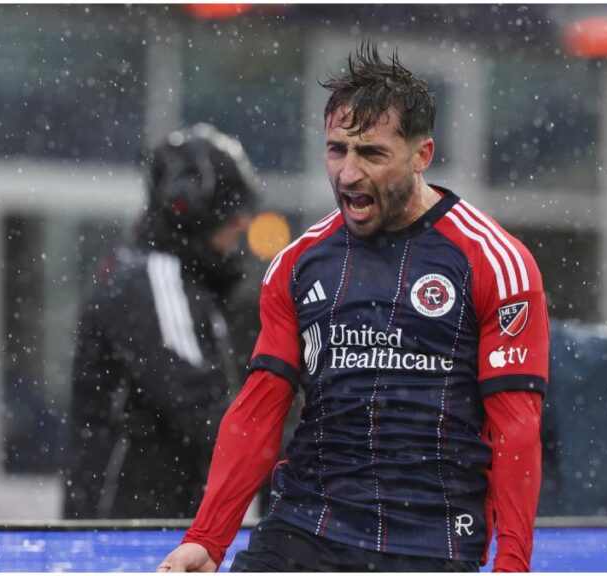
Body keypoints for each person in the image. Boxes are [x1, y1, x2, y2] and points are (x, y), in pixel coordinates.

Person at [159, 43, 548, 572]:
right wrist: (207, 538)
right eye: (337, 149)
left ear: (422, 155)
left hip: (429, 544)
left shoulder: (496, 262)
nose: (347, 174)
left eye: (372, 153)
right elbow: (259, 410)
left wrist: (514, 563)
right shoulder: (297, 265)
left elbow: (516, 429)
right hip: (304, 532)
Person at [62, 124, 259, 519]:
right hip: (134, 530)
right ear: (193, 206)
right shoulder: (154, 278)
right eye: (232, 208)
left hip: (145, 523)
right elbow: (203, 410)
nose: (243, 223)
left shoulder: (171, 278)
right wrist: (294, 450)